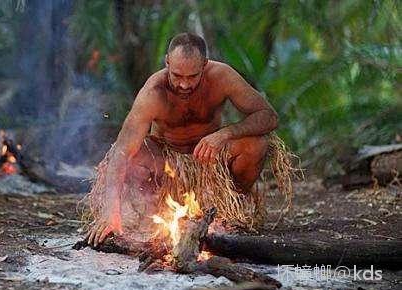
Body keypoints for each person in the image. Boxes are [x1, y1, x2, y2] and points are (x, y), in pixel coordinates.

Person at [85, 32, 279, 247]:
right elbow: (122, 150)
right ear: (167, 62)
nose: (184, 85)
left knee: (256, 145)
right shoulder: (153, 92)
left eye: (192, 77)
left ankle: (229, 212)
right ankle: (147, 217)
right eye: (177, 75)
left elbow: (268, 116)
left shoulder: (222, 77)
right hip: (166, 168)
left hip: (210, 162)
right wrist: (110, 212)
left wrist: (225, 134)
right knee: (134, 155)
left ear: (205, 65)